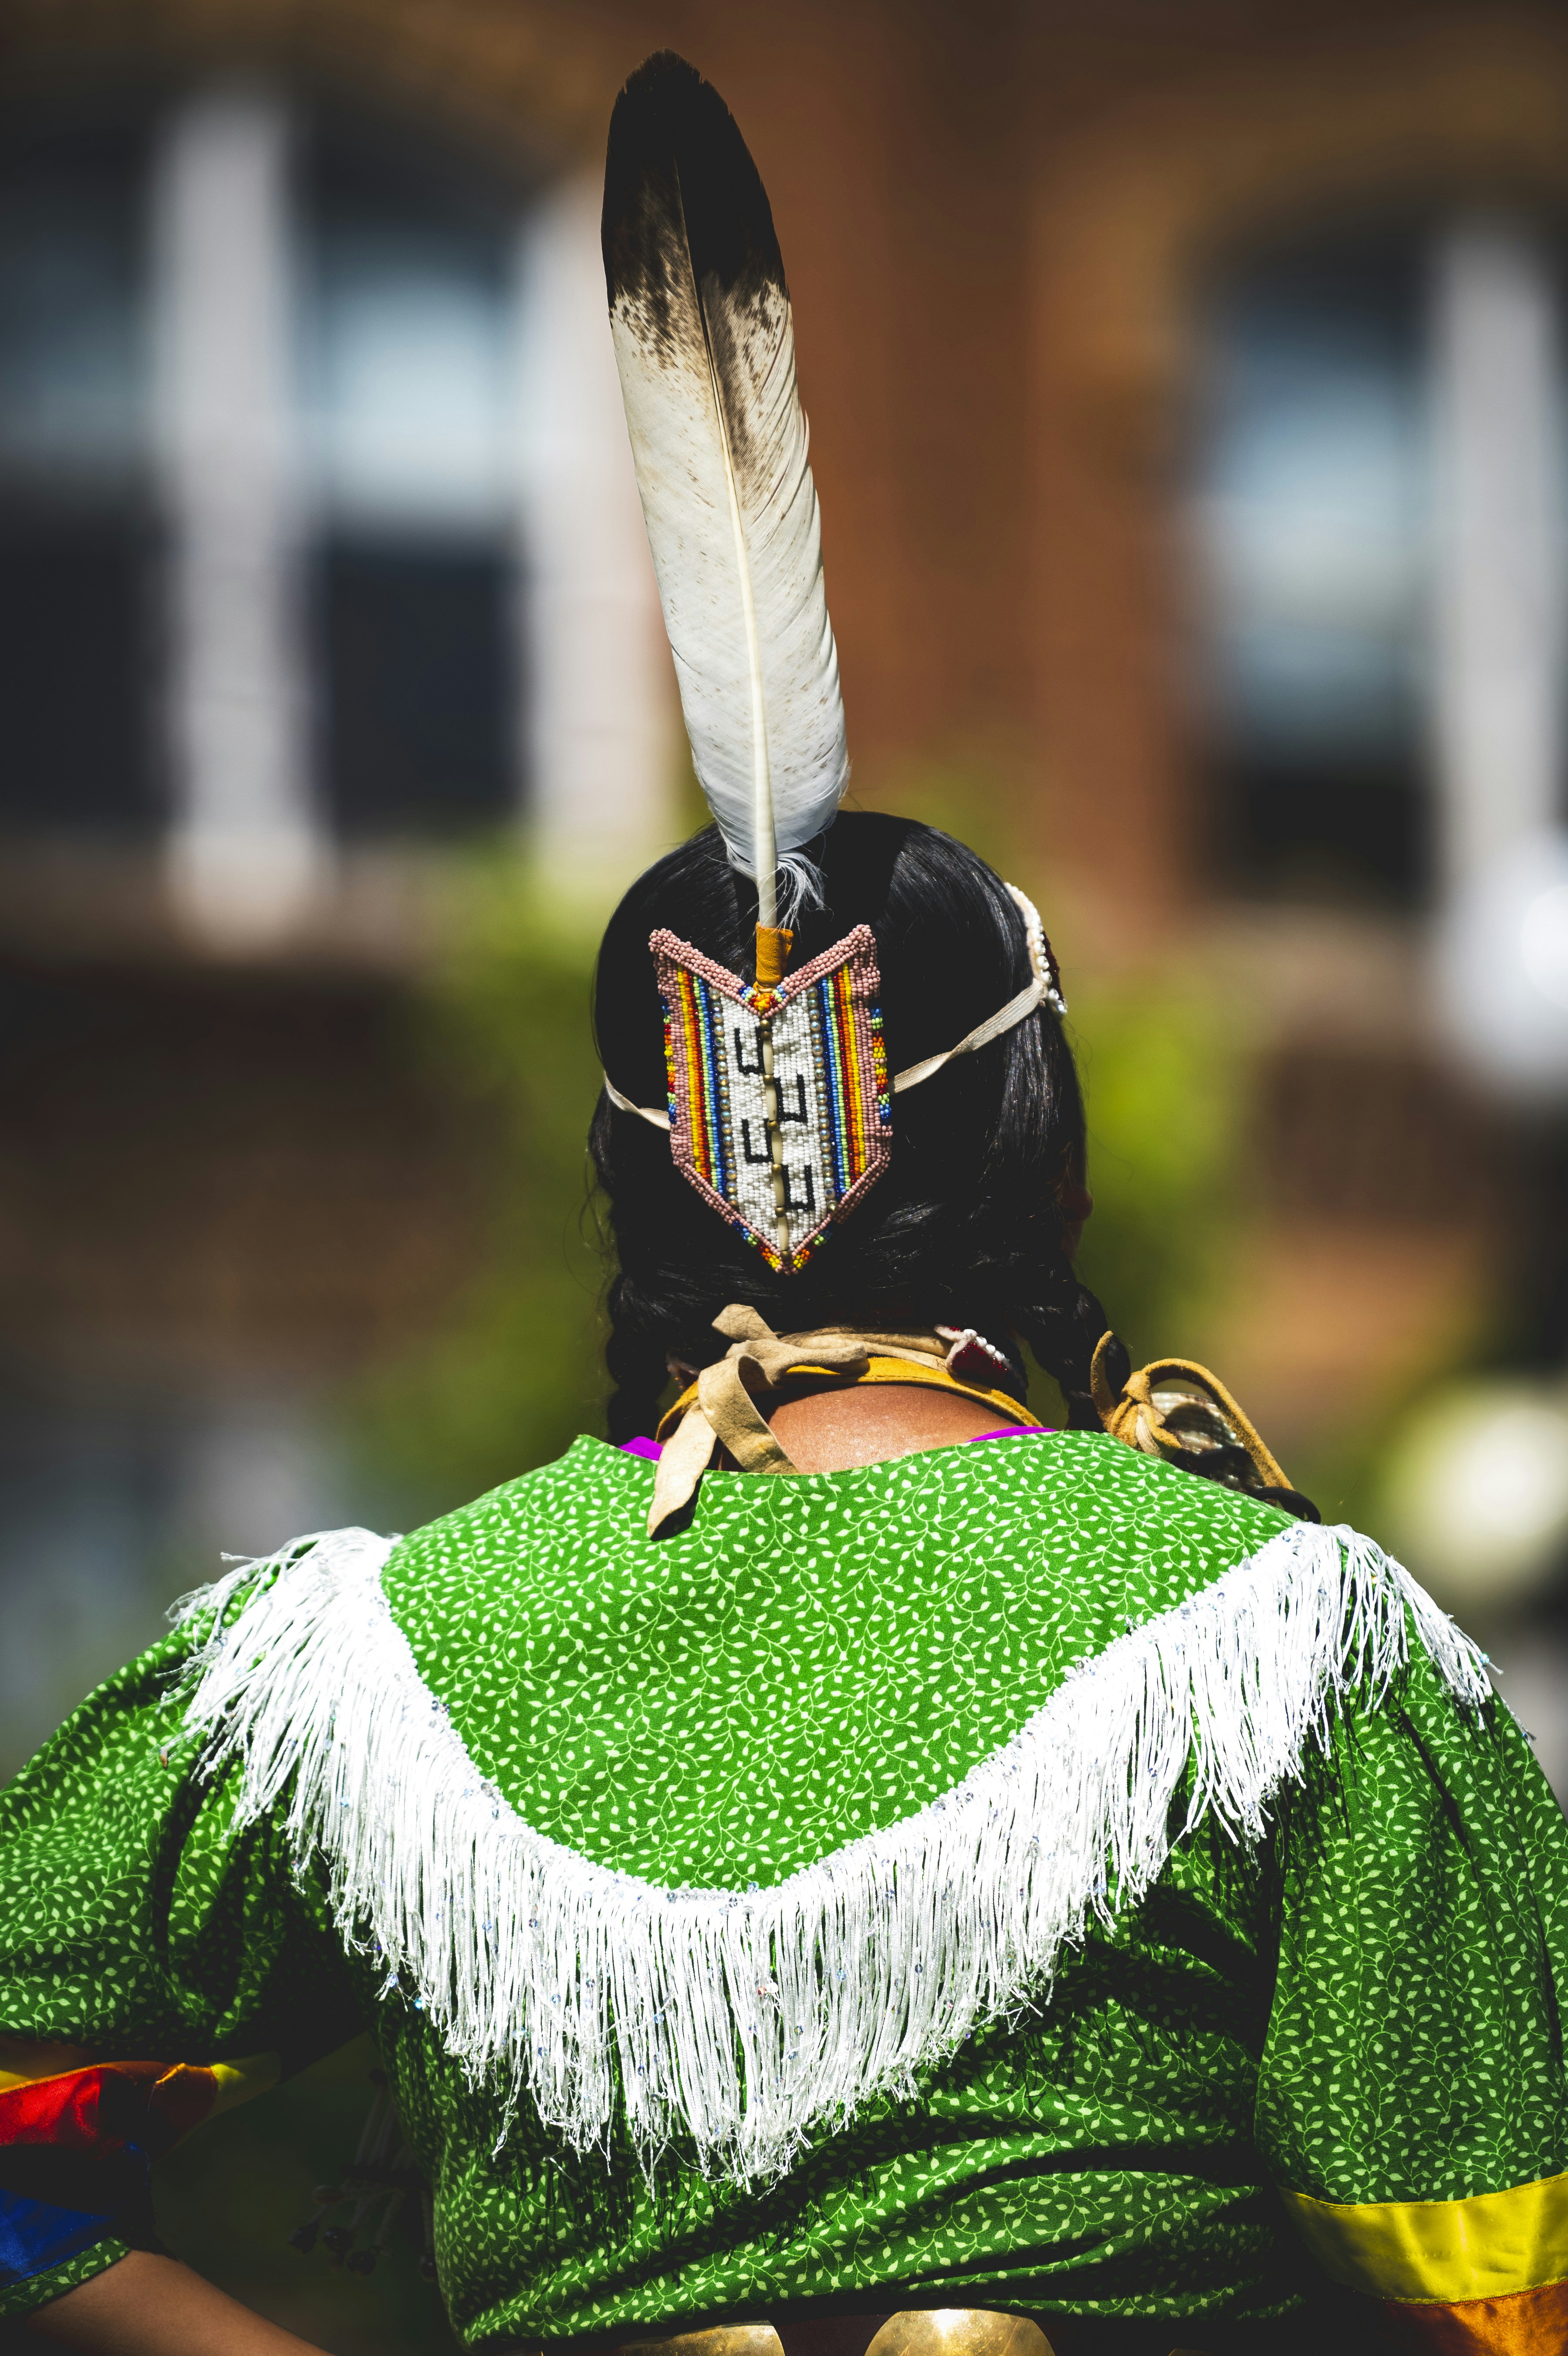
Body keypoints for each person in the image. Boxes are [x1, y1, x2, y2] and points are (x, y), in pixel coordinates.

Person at [3, 49, 1568, 2356]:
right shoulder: (1283, 1645)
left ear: (633, 1188)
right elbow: (1506, 2276)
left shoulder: (359, 1668)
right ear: (1042, 1152)